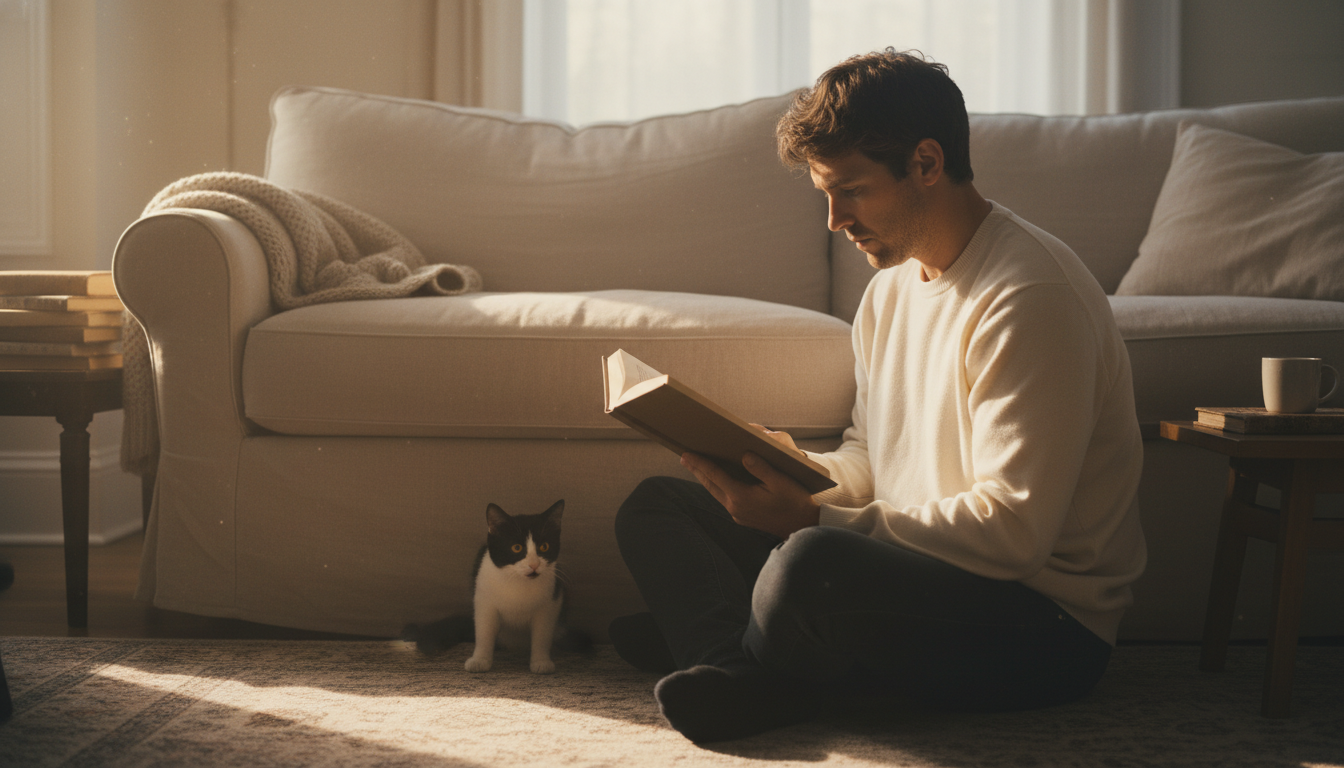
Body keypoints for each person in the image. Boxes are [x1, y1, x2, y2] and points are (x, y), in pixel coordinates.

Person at [610, 49, 1147, 744]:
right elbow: (873, 455)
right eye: (826, 194)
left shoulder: (1029, 297)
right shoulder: (891, 288)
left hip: (1039, 625)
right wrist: (794, 472)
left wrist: (811, 521)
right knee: (660, 507)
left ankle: (735, 649)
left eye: (852, 190)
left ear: (926, 163)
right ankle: (751, 662)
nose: (835, 219)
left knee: (808, 564)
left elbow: (1013, 534)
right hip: (918, 575)